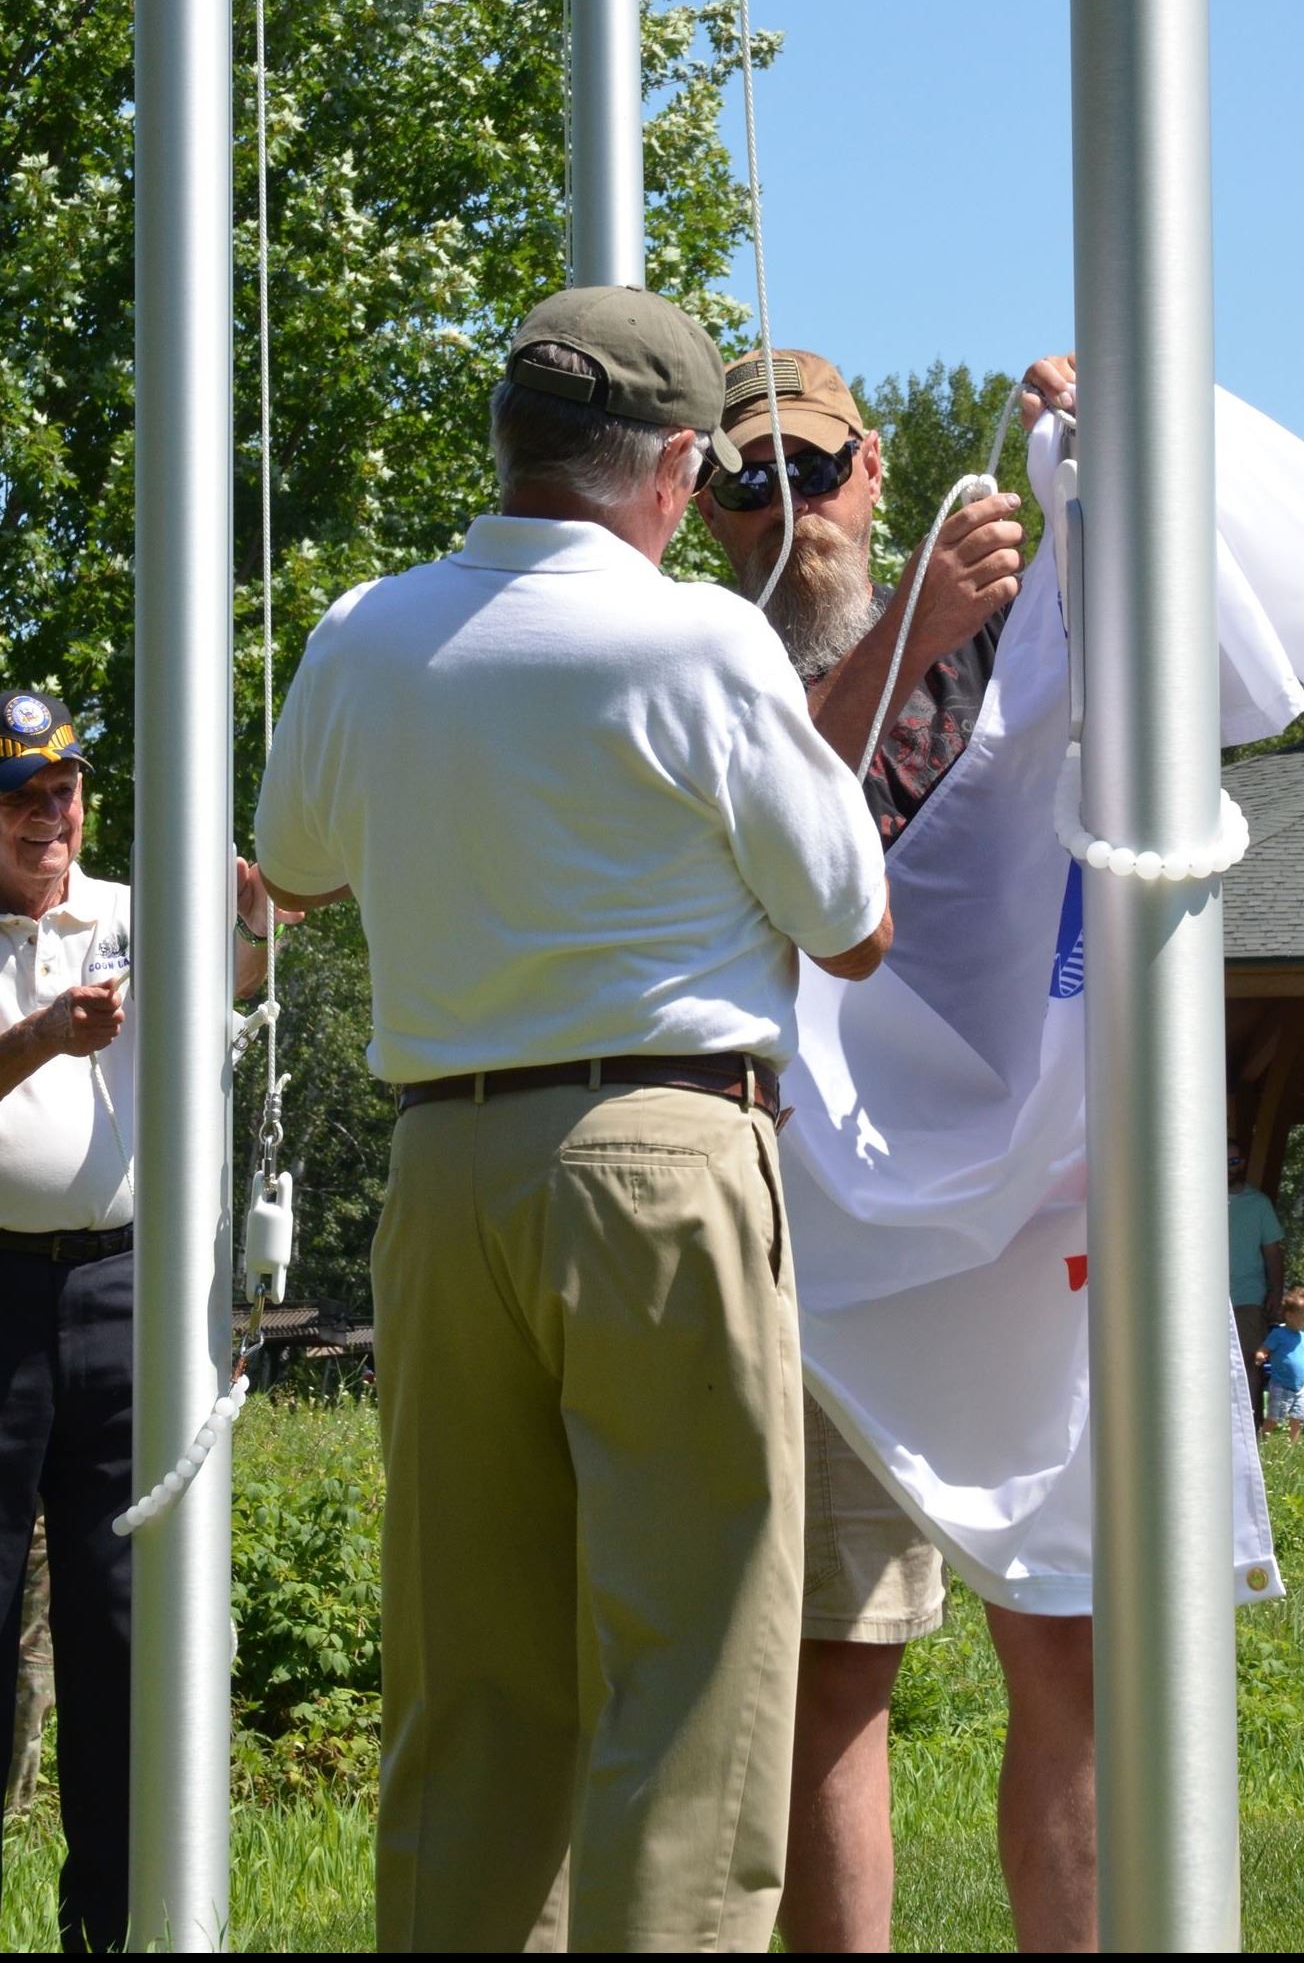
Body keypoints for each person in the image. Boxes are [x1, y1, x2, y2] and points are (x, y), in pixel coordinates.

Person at [256, 287, 892, 1956]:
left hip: (441, 1164)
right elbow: (851, 922)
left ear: (510, 442)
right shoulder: (698, 640)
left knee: (471, 1672)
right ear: (680, 465)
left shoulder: (362, 628)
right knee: (692, 1665)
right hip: (665, 1160)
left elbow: (299, 867)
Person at [696, 345, 1095, 1957]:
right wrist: (910, 633)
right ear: (701, 509)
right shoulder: (694, 661)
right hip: (825, 1227)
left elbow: (1160, 637)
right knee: (831, 1667)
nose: (789, 506)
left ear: (878, 471)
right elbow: (763, 820)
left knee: (1065, 1648)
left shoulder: (1007, 624)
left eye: (816, 468)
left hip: (1027, 1211)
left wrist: (1094, 441)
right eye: (748, 479)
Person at [0, 691, 278, 1953]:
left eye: (58, 790)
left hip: (121, 1286)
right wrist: (45, 1035)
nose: (44, 815)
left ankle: (103, 1928)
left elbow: (237, 999)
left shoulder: (129, 908)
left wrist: (256, 922)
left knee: (118, 1618)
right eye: (17, 795)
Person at [1228, 1138, 1285, 1406]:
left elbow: (1273, 1253)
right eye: (1224, 1161)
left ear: (1243, 1164)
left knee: (1249, 1360)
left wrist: (1276, 1292)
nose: (1229, 1167)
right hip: (1202, 1297)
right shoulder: (1195, 1198)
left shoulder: (1258, 1203)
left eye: (1234, 1161)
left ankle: (1249, 1427)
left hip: (1248, 1296)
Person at [1255, 1286, 1304, 1439]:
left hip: (1299, 1387)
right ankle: (1262, 1439)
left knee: (1297, 1418)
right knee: (1274, 1417)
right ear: (1290, 1316)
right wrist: (1261, 1354)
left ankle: (1293, 1446)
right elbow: (1265, 1347)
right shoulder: (1278, 1333)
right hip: (1281, 1384)